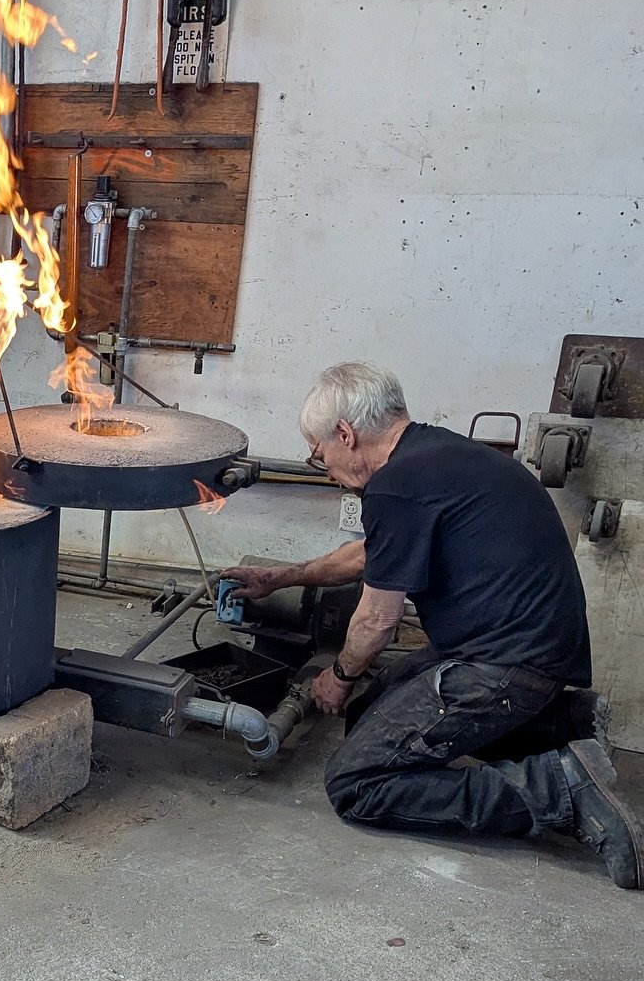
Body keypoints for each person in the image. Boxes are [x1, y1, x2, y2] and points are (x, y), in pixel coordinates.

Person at [223, 361, 641, 889]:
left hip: (506, 666)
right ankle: (564, 727)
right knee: (371, 711)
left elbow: (377, 620)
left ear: (345, 434)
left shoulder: (396, 486)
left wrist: (339, 676)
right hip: (528, 651)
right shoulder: (439, 456)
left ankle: (559, 789)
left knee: (357, 782)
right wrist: (280, 577)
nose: (323, 468)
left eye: (318, 453)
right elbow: (370, 554)